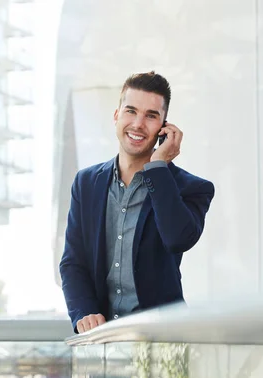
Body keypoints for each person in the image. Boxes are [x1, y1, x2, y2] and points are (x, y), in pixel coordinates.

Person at [59, 71, 215, 333]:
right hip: (103, 340)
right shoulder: (86, 184)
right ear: (116, 115)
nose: (138, 124)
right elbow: (73, 263)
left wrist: (157, 169)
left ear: (164, 128)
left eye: (151, 116)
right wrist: (84, 312)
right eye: (131, 111)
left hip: (164, 341)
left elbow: (178, 239)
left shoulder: (192, 188)